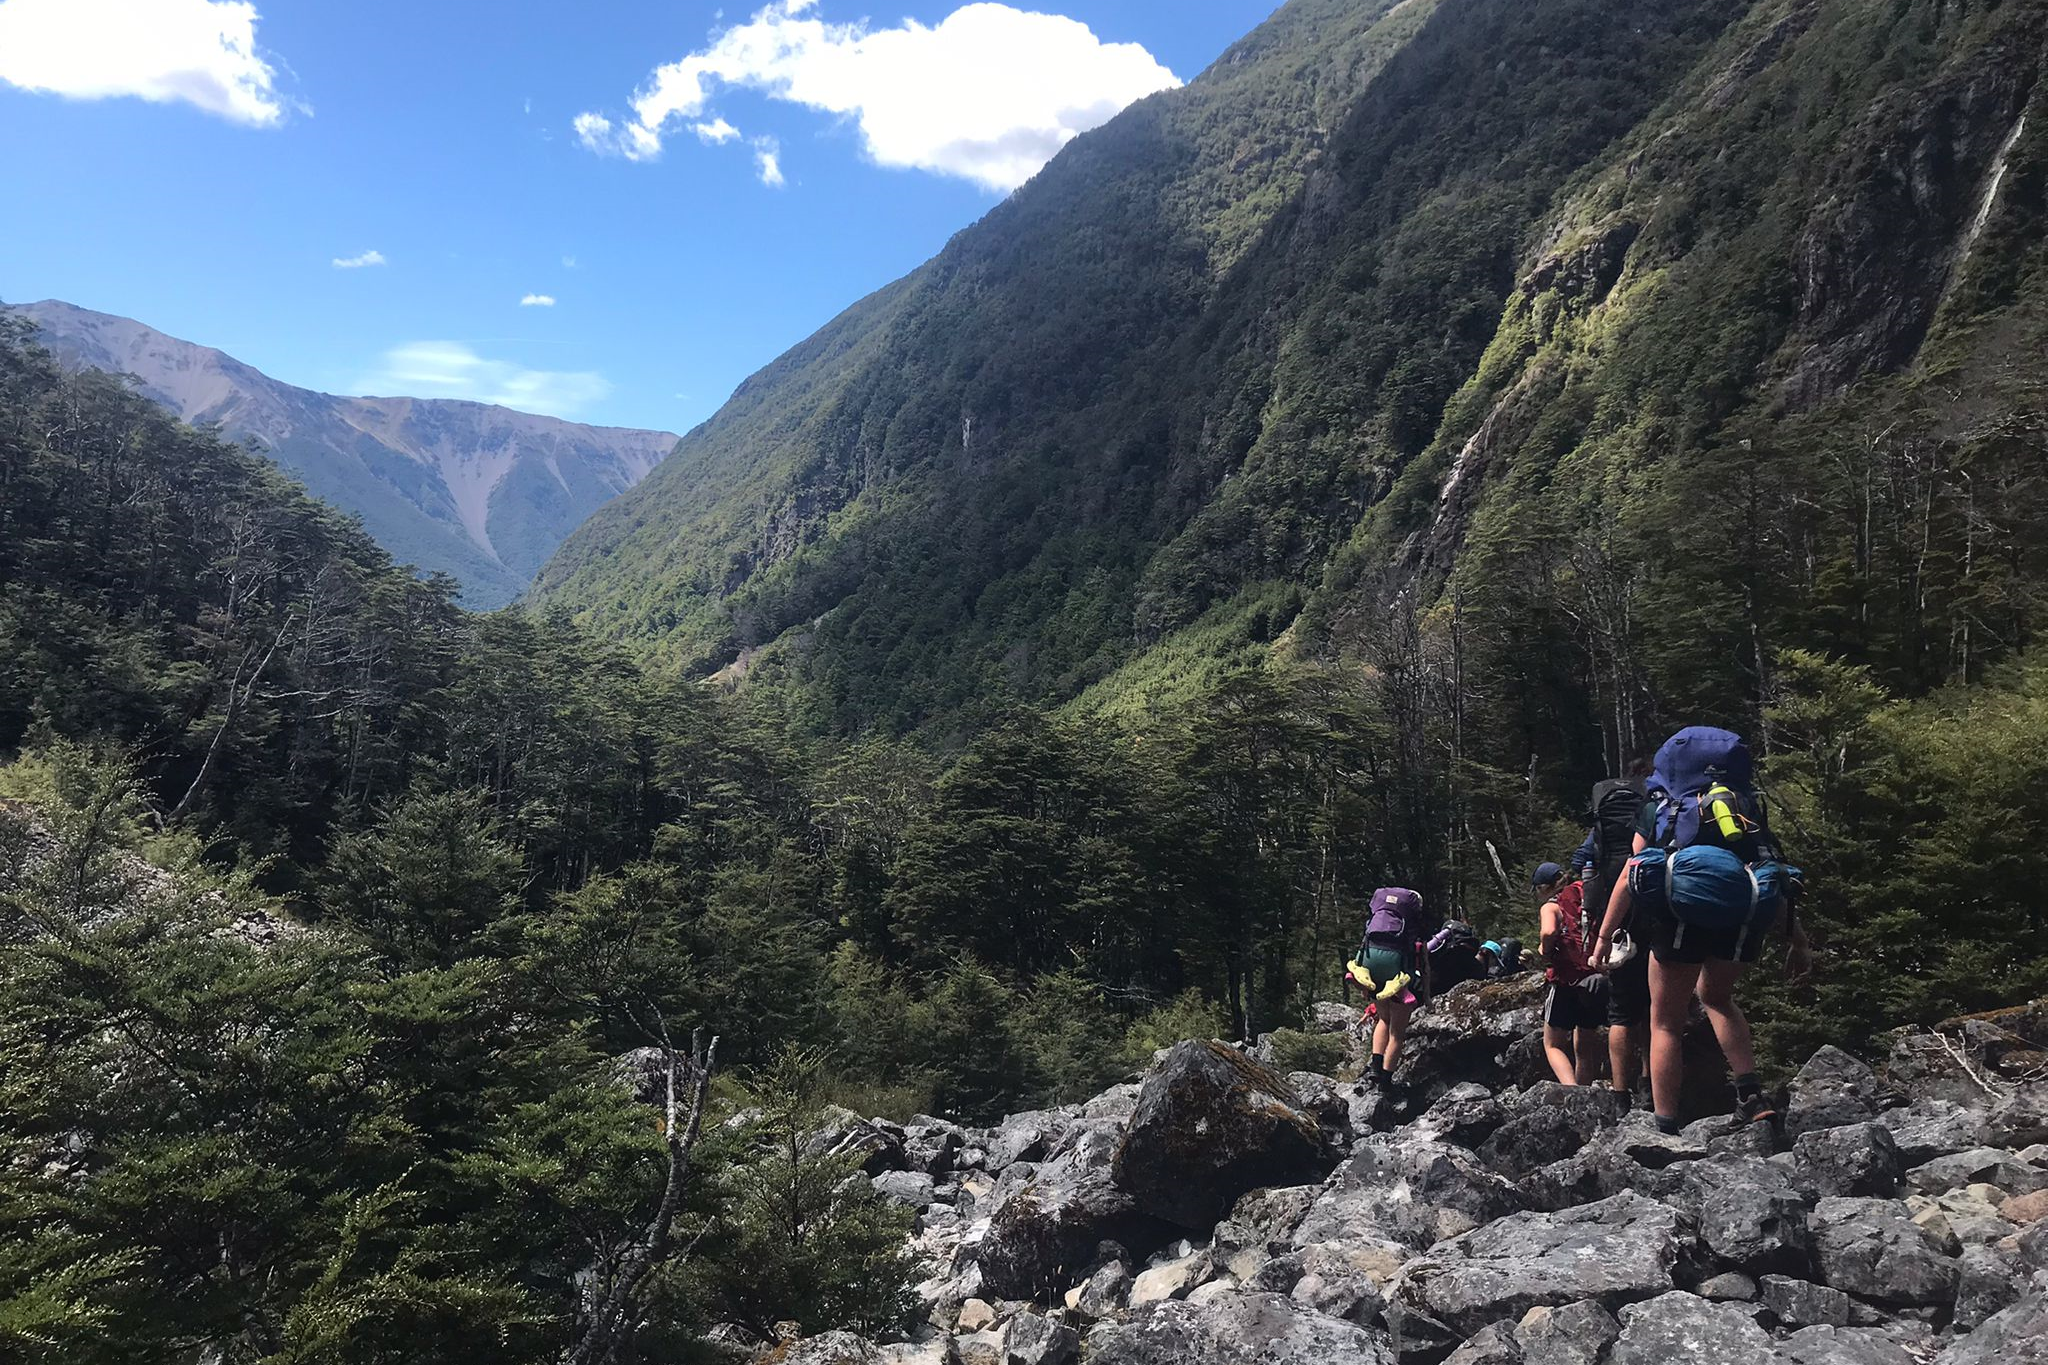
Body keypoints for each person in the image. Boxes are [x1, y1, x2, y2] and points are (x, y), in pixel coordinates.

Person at [1591, 727, 1813, 1135]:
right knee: (1718, 999)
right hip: (1739, 920)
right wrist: (1797, 940)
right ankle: (1751, 1096)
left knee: (1665, 1022)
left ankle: (1665, 1125)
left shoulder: (1660, 807)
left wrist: (1604, 938)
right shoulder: (1745, 805)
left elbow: (1630, 873)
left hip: (1680, 920)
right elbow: (1769, 871)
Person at [1573, 768, 1652, 1104]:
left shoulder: (1599, 831)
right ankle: (1651, 1087)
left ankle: (1620, 1096)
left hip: (1616, 917)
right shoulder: (1652, 816)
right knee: (1655, 1007)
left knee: (1620, 1011)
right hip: (1653, 908)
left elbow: (1581, 861)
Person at [1534, 862, 1606, 1085]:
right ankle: (1585, 1091)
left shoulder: (1551, 905)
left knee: (1552, 1044)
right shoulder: (1587, 897)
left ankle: (1571, 1090)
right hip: (1595, 976)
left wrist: (1545, 950)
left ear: (1542, 888)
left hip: (1567, 979)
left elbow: (1549, 931)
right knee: (1585, 1043)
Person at [1352, 886, 1431, 1089]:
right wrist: (1428, 998)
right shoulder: (1413, 932)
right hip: (1399, 978)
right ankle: (1385, 1082)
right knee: (1397, 1032)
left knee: (1383, 1020)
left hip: (1374, 972)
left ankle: (1375, 1069)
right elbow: (1424, 966)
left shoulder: (1376, 924)